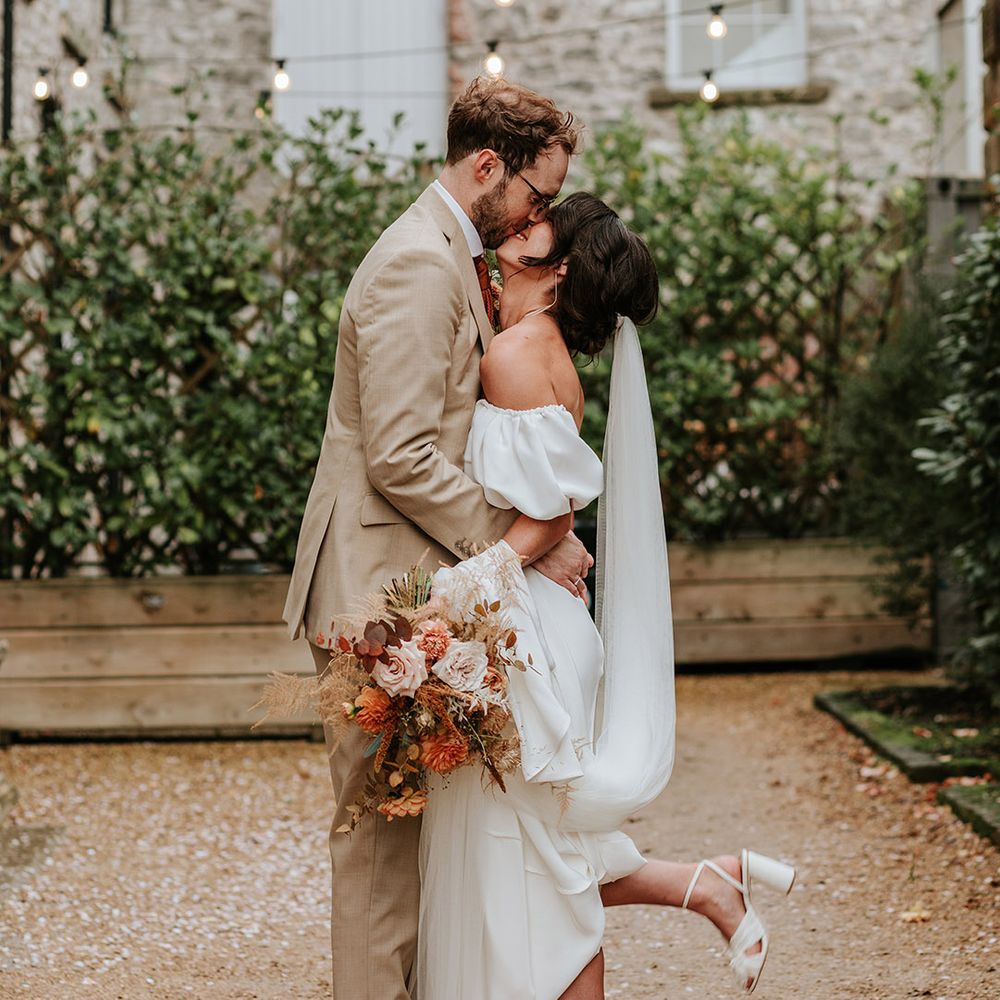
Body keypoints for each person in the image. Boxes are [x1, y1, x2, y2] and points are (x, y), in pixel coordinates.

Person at [416, 193, 796, 999]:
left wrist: (469, 580)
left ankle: (706, 884)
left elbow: (549, 509)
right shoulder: (536, 345)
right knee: (535, 854)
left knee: (534, 863)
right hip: (543, 621)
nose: (507, 233)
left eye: (525, 236)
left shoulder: (515, 353)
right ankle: (708, 882)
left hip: (529, 629)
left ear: (555, 273)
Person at [281, 77, 591, 1000]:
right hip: (373, 596)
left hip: (409, 591)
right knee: (381, 864)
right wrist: (526, 541)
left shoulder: (450, 254)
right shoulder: (419, 262)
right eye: (536, 194)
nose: (539, 214)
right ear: (487, 167)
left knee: (411, 854)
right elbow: (403, 456)